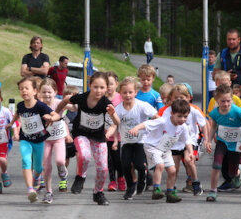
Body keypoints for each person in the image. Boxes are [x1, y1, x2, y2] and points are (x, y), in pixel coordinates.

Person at [55, 72, 115, 205]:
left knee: (103, 168)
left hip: (98, 136)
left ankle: (98, 193)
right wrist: (56, 114)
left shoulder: (106, 103)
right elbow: (65, 101)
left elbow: (116, 122)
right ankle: (80, 177)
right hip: (81, 133)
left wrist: (112, 118)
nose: (98, 90)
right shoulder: (82, 98)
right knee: (84, 156)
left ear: (106, 88)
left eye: (102, 88)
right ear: (89, 85)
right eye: (95, 87)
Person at [128, 97, 192, 204]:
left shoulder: (183, 127)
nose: (182, 119)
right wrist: (136, 128)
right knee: (160, 165)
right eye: (179, 116)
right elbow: (147, 124)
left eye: (185, 117)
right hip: (152, 146)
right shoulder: (163, 121)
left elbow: (187, 140)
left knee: (172, 170)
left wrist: (190, 152)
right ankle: (156, 189)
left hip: (165, 149)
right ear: (172, 113)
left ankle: (170, 193)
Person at [12, 77, 56, 203]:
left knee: (38, 167)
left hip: (39, 140)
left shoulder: (41, 106)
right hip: (25, 138)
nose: (24, 91)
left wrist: (51, 118)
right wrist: (11, 124)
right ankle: (30, 189)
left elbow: (54, 114)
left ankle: (37, 178)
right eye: (21, 89)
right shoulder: (20, 105)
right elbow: (17, 114)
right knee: (26, 161)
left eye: (27, 88)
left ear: (35, 91)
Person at [114, 76, 157, 200]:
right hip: (126, 142)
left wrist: (156, 128)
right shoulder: (118, 109)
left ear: (135, 92)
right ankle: (131, 186)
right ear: (120, 93)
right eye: (124, 92)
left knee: (139, 164)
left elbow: (156, 117)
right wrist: (115, 139)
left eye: (130, 92)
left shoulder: (142, 106)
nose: (127, 95)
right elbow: (115, 125)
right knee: (126, 166)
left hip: (141, 140)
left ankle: (143, 178)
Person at [205, 84, 241, 201]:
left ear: (232, 99)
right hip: (222, 142)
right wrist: (208, 140)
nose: (225, 104)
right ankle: (213, 191)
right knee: (216, 165)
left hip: (236, 143)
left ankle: (237, 172)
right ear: (217, 101)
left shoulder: (237, 111)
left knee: (232, 173)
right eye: (222, 101)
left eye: (228, 101)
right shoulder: (215, 113)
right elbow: (213, 126)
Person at [39, 79, 72, 197]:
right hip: (45, 139)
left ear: (55, 92)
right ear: (39, 92)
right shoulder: (39, 105)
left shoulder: (59, 103)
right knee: (46, 164)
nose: (47, 95)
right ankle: (48, 189)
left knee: (60, 161)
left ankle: (63, 175)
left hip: (59, 138)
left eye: (49, 92)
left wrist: (74, 101)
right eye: (44, 92)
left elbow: (73, 107)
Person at [218, 28, 241, 98]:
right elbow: (214, 75)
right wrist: (226, 75)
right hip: (226, 93)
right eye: (229, 39)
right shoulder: (222, 54)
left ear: (239, 40)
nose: (231, 42)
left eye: (233, 39)